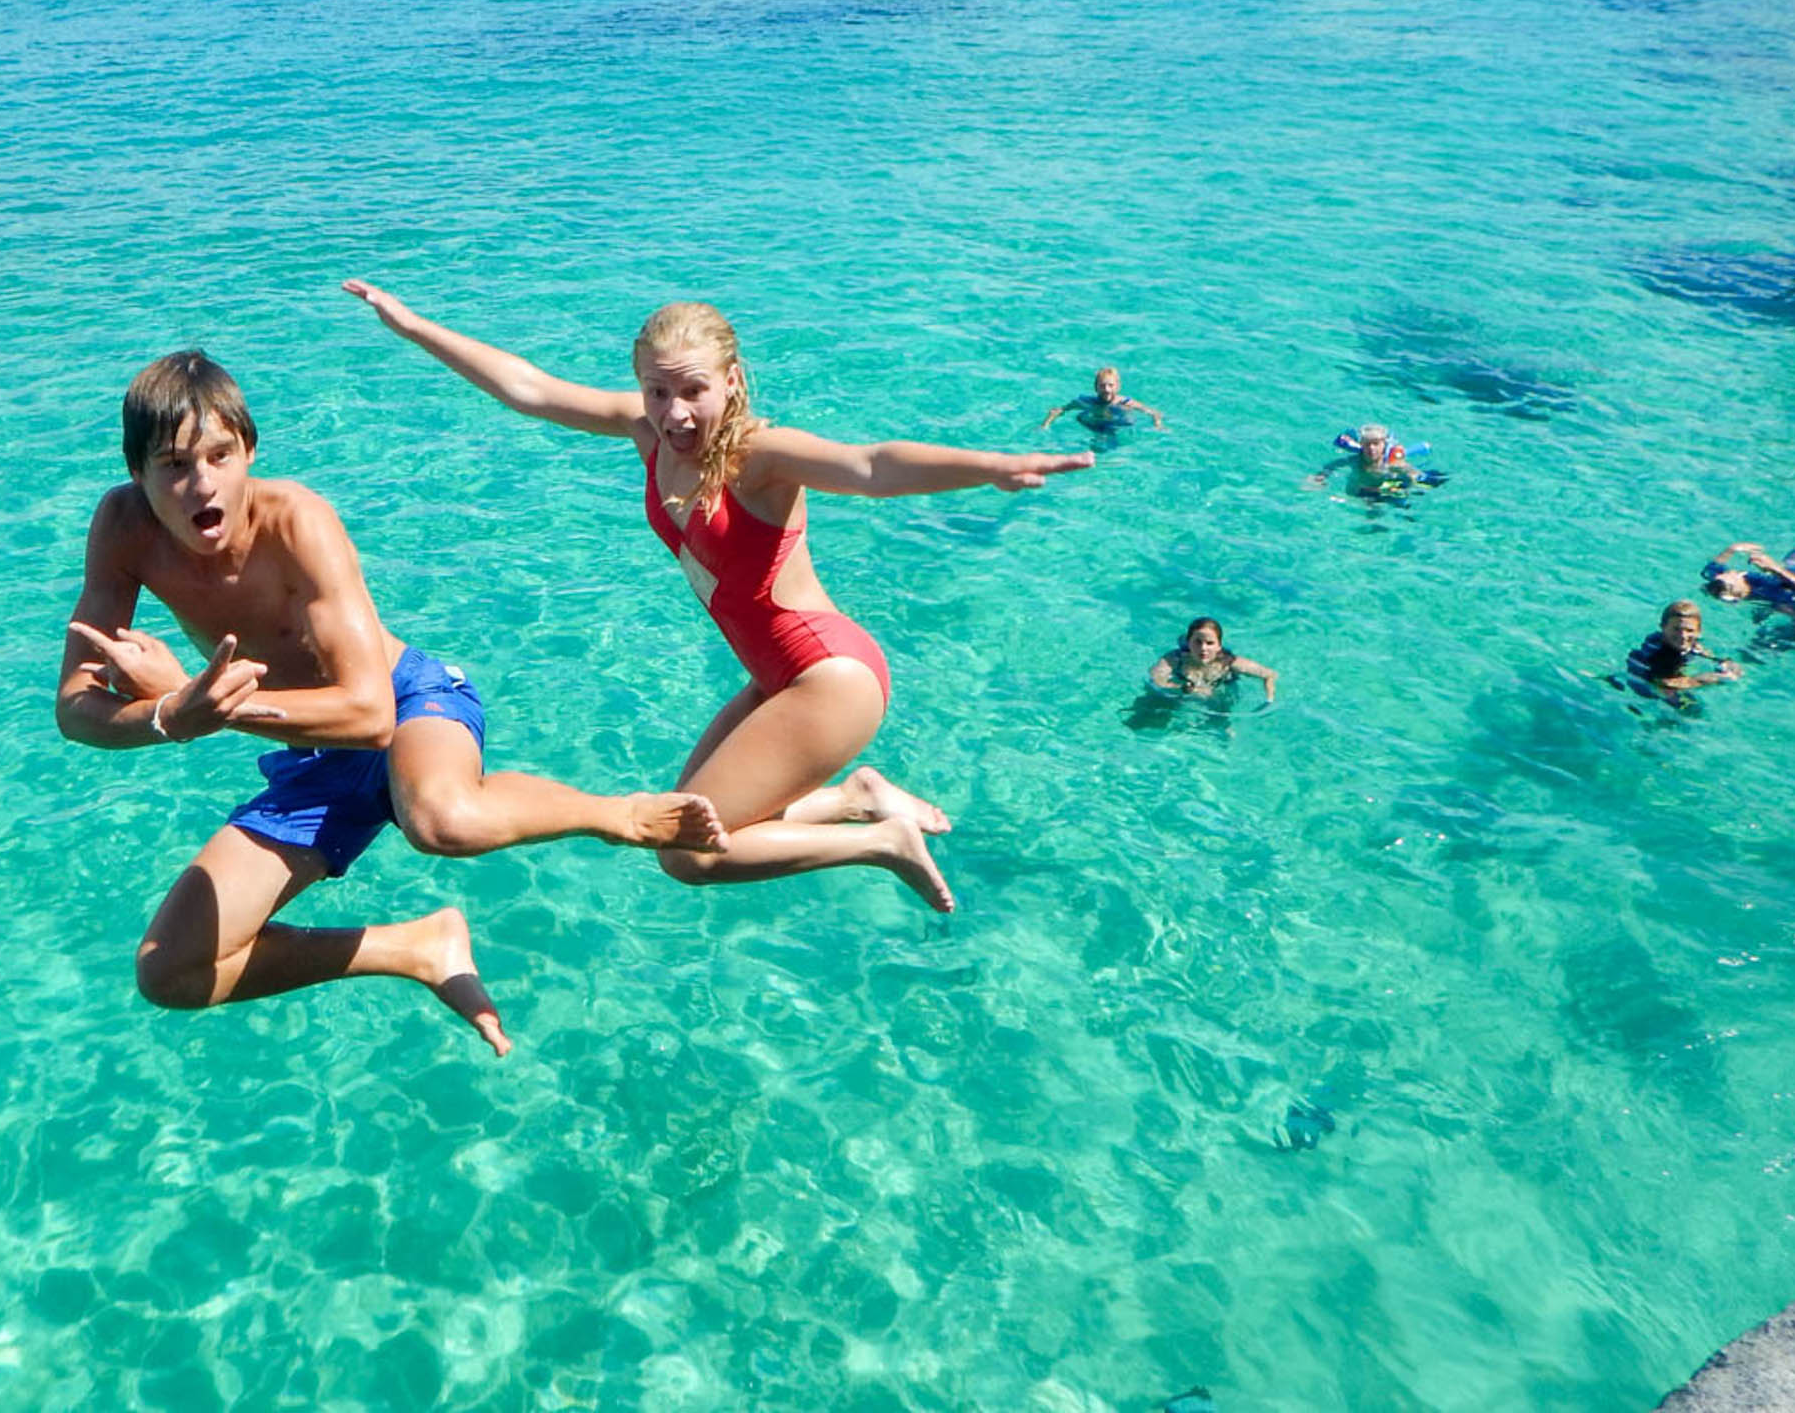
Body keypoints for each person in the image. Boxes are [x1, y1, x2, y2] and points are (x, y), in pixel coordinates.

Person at [345, 281, 1093, 915]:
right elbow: (529, 389)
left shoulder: (757, 458)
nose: (674, 413)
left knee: (683, 853)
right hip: (775, 677)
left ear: (732, 380)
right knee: (686, 823)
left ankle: (878, 839)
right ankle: (858, 794)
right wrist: (412, 326)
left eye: (693, 389)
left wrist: (990, 465)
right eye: (657, 390)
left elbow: (870, 465)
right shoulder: (646, 433)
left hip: (828, 678)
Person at [58, 352, 727, 1057]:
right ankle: (416, 948)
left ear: (249, 450)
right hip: (314, 747)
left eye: (221, 455)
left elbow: (370, 713)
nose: (202, 484)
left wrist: (200, 706)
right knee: (169, 970)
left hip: (408, 701)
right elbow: (75, 710)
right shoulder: (123, 529)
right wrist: (169, 716)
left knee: (441, 820)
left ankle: (616, 813)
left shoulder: (298, 521)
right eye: (173, 465)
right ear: (136, 473)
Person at [1620, 600, 1741, 702]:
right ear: (1663, 627)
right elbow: (1663, 683)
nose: (1683, 635)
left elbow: (1704, 652)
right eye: (1676, 629)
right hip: (1646, 685)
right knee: (1691, 708)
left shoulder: (1692, 643)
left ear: (1699, 631)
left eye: (1689, 630)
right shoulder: (1658, 654)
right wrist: (1704, 679)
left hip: (1675, 668)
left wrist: (1728, 663)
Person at [1147, 618, 1278, 704]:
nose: (1203, 648)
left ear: (1219, 646)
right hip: (1180, 692)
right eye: (1197, 642)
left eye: (1210, 643)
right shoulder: (1175, 658)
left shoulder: (1229, 662)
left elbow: (1269, 674)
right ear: (1188, 642)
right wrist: (1183, 689)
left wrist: (1269, 700)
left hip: (1220, 693)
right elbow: (1155, 680)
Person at [1308, 422, 1439, 497]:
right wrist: (1320, 477)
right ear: (1361, 444)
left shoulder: (1392, 463)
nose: (1371, 448)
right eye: (1367, 444)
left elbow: (1413, 474)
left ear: (1384, 445)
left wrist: (1409, 485)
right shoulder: (1355, 460)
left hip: (1389, 489)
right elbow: (1332, 466)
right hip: (1362, 492)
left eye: (1376, 444)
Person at [1038, 366, 1166, 435]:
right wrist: (1045, 425)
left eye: (1111, 385)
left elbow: (1155, 412)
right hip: (1093, 425)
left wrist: (1158, 425)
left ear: (1118, 386)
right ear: (1095, 387)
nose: (1107, 389)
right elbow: (1059, 410)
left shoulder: (1126, 402)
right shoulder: (1085, 401)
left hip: (1116, 425)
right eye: (1102, 385)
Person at [1701, 540, 1795, 609]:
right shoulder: (1771, 594)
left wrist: (1733, 549)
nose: (1732, 571)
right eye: (1731, 574)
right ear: (1736, 591)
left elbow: (1710, 569)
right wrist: (1775, 568)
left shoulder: (1723, 583)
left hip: (1791, 569)